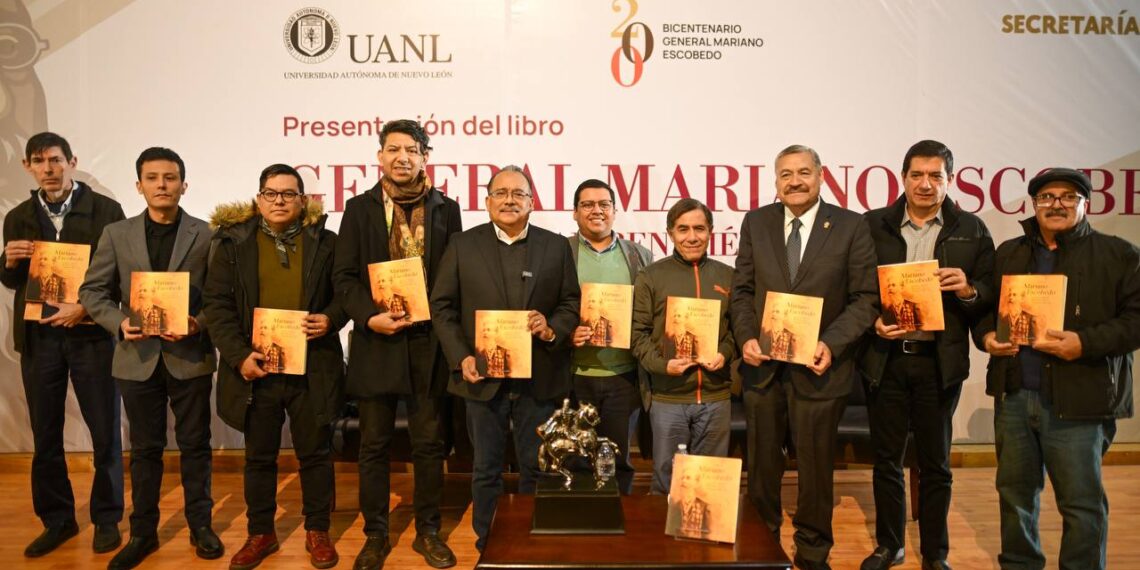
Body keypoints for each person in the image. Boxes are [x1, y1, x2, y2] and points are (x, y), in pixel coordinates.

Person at [979, 168, 1140, 570]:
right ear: (1033, 205)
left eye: (1068, 197)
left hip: (1080, 399)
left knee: (1081, 504)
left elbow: (1136, 321)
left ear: (1086, 203)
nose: (1056, 205)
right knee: (1014, 498)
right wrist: (986, 338)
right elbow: (985, 311)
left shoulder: (1118, 254)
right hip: (1014, 396)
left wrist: (1084, 343)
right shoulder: (1010, 252)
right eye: (1047, 197)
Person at [730, 144, 878, 570]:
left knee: (815, 473)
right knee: (761, 469)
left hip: (820, 371)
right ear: (775, 181)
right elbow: (742, 291)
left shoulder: (850, 226)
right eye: (785, 174)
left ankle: (813, 555)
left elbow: (865, 298)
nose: (794, 181)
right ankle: (763, 549)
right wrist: (745, 337)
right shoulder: (756, 222)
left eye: (803, 173)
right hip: (764, 370)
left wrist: (830, 342)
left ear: (821, 176)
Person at [79, 147, 223, 568]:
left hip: (189, 356)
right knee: (145, 450)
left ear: (184, 184)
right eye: (153, 178)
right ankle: (143, 532)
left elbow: (222, 298)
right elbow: (92, 292)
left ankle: (201, 525)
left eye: (170, 177)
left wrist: (197, 323)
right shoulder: (116, 234)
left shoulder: (207, 234)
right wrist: (118, 323)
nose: (162, 185)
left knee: (196, 446)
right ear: (139, 185)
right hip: (136, 357)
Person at [858, 140, 995, 570]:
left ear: (950, 180)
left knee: (936, 463)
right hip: (886, 358)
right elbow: (855, 290)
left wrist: (970, 289)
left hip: (940, 362)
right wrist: (872, 323)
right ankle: (890, 545)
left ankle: (936, 553)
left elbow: (991, 292)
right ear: (903, 178)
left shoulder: (971, 229)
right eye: (917, 175)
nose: (925, 183)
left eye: (936, 176)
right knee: (887, 460)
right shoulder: (872, 225)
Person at [204, 163, 348, 570]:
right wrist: (238, 357)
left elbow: (347, 292)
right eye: (271, 193)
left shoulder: (327, 242)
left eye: (289, 194)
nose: (280, 200)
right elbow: (216, 306)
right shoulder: (232, 243)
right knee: (259, 457)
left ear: (303, 201)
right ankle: (260, 532)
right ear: (258, 199)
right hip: (257, 369)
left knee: (315, 454)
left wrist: (332, 318)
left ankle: (317, 530)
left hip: (312, 366)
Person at [332, 119, 461, 569]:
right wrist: (369, 316)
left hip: (429, 343)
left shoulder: (447, 209)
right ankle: (375, 534)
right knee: (373, 445)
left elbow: (453, 277)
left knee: (429, 442)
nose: (402, 157)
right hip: (377, 339)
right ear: (379, 156)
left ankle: (428, 531)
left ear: (426, 157)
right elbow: (344, 277)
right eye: (393, 149)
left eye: (411, 149)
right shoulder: (358, 209)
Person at [430, 165, 580, 552]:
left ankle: (532, 536)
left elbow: (570, 303)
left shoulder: (556, 245)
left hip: (540, 377)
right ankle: (489, 540)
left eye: (518, 194)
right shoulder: (463, 244)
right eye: (501, 193)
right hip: (481, 378)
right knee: (485, 468)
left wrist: (551, 329)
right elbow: (442, 307)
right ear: (487, 201)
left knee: (537, 465)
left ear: (532, 202)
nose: (509, 200)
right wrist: (460, 357)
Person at [1, 132, 125, 558]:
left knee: (105, 430)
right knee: (45, 433)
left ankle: (107, 518)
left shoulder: (107, 210)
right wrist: (9, 262)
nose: (48, 169)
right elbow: (14, 282)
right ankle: (58, 520)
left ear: (71, 161)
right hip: (40, 338)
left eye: (55, 160)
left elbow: (118, 274)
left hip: (90, 333)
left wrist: (86, 309)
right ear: (27, 167)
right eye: (39, 161)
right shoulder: (17, 216)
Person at [630, 198, 735, 495]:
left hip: (716, 396)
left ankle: (704, 542)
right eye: (683, 229)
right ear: (670, 233)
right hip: (668, 398)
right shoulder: (650, 276)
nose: (692, 237)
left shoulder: (728, 276)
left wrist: (723, 354)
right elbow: (637, 334)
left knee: (710, 484)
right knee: (666, 480)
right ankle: (662, 543)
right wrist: (663, 366)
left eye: (699, 228)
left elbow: (737, 332)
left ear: (711, 231)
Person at [567, 178, 653, 494]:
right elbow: (547, 307)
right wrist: (567, 333)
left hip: (623, 376)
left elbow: (651, 313)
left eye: (604, 204)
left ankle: (619, 523)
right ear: (574, 213)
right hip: (575, 375)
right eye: (587, 204)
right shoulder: (560, 252)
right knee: (576, 458)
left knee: (616, 459)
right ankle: (581, 529)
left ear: (615, 211)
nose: (596, 210)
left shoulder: (640, 256)